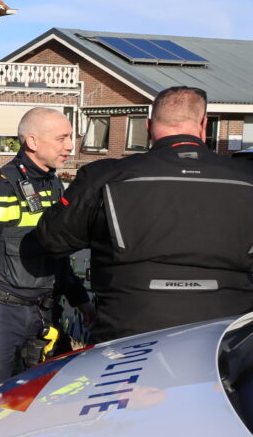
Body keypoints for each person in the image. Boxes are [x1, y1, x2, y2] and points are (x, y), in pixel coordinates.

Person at [36, 86, 253, 341]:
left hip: (127, 334)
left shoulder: (104, 176)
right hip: (226, 336)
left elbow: (51, 239)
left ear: (148, 126)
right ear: (204, 125)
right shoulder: (246, 177)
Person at [0, 107, 92, 399]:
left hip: (43, 311)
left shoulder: (53, 183)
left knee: (38, 403)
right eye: (62, 138)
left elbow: (56, 253)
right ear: (32, 141)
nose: (70, 146)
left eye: (71, 138)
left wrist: (81, 301)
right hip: (1, 314)